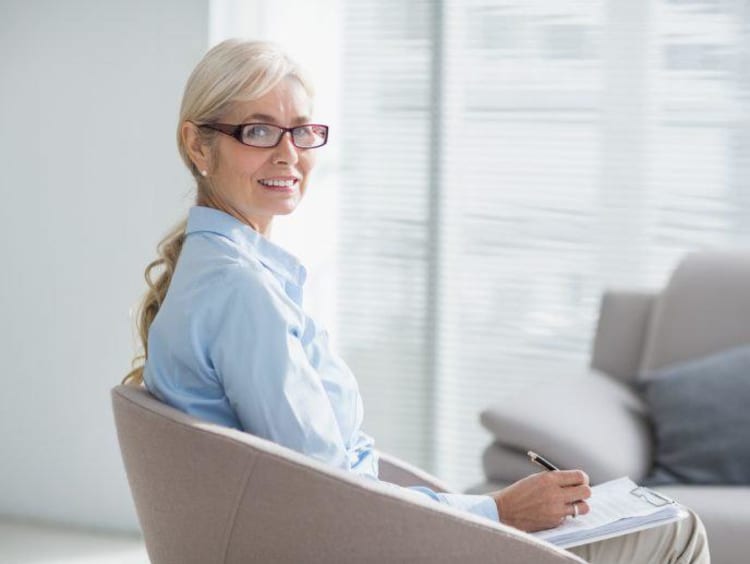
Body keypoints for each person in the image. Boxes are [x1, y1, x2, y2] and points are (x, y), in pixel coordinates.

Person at [124, 39, 709, 562]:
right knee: (676, 530)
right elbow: (334, 498)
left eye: (301, 130)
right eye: (257, 131)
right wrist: (499, 514)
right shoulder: (241, 293)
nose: (288, 154)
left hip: (347, 533)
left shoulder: (219, 275)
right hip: (355, 544)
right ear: (198, 146)